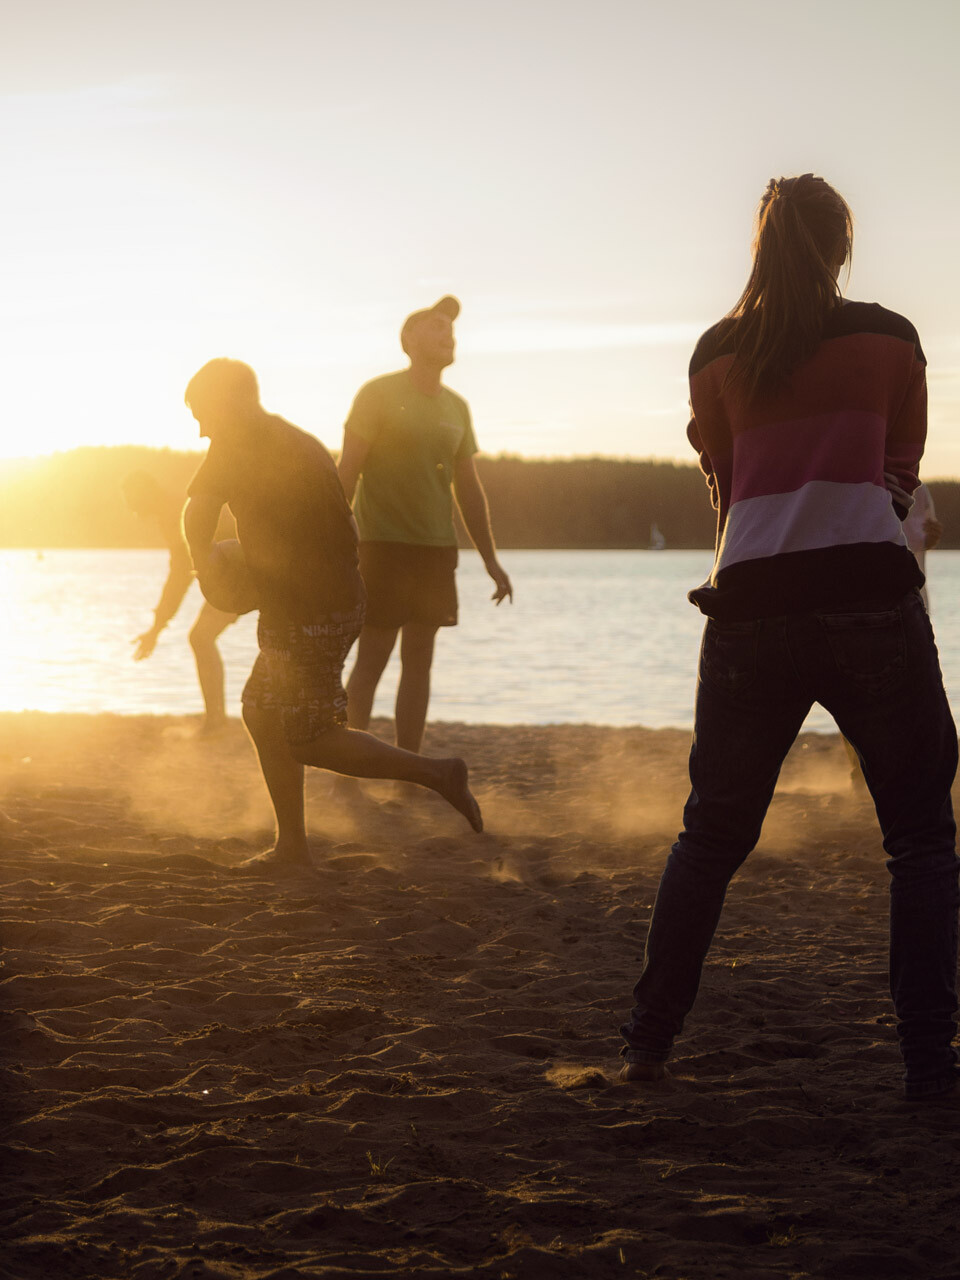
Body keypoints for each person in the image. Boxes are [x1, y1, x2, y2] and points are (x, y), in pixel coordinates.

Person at [619, 175, 959, 1100]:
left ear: (761, 245)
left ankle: (648, 1046)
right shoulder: (892, 338)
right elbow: (899, 474)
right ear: (840, 244)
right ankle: (931, 1066)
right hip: (867, 599)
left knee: (711, 833)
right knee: (922, 840)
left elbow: (724, 485)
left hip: (750, 605)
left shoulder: (714, 353)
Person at [181, 358, 482, 870]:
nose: (201, 428)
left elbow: (198, 513)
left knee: (312, 739)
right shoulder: (294, 439)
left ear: (228, 402)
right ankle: (292, 845)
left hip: (308, 610)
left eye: (201, 413)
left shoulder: (237, 439)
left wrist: (207, 570)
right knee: (261, 709)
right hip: (329, 599)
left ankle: (437, 774)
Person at [338, 296, 512, 755]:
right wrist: (332, 540)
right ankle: (351, 765)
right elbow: (346, 471)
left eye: (451, 329)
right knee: (372, 658)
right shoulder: (376, 394)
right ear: (408, 340)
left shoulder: (457, 407)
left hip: (435, 550)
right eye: (435, 327)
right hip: (381, 545)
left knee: (420, 663)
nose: (447, 334)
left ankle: (407, 768)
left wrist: (491, 561)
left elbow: (468, 489)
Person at [123, 471, 238, 733]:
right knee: (201, 638)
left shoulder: (175, 512)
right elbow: (181, 574)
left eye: (130, 497)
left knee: (201, 637)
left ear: (144, 494)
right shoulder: (171, 510)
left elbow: (179, 576)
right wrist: (157, 627)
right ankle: (216, 718)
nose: (128, 505)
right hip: (232, 570)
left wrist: (156, 628)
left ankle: (216, 720)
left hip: (241, 570)